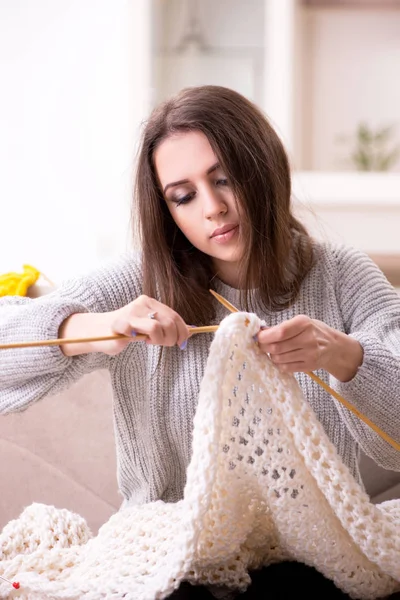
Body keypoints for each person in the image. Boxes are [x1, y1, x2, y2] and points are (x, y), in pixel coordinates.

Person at [0, 85, 399, 599]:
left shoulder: (342, 275)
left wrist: (344, 356)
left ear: (265, 169)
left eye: (225, 179)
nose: (212, 208)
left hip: (312, 553)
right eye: (183, 196)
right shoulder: (140, 281)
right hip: (171, 550)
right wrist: (94, 330)